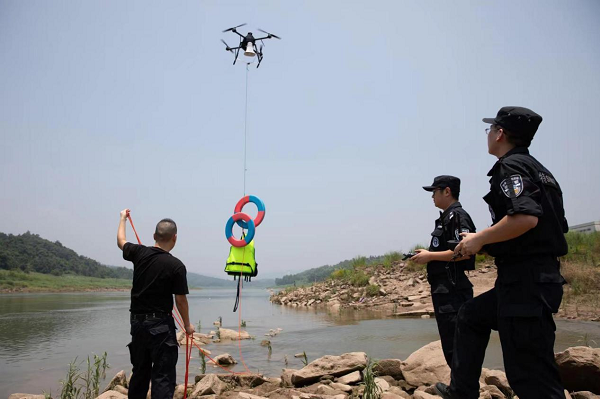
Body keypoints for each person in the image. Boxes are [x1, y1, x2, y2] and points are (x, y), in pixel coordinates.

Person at [435, 107, 568, 399]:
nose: (488, 136)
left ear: (500, 133)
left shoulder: (512, 167)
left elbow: (526, 218)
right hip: (528, 279)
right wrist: (485, 242)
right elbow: (539, 229)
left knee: (531, 377)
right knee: (470, 315)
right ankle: (462, 392)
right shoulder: (540, 170)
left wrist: (481, 238)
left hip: (526, 285)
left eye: (489, 130)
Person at [117, 209, 195, 399]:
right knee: (162, 378)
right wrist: (187, 325)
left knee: (140, 373)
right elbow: (180, 300)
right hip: (160, 327)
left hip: (137, 326)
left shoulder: (139, 253)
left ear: (154, 236)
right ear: (174, 238)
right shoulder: (176, 266)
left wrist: (122, 218)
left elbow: (121, 241)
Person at [411, 175, 476, 367]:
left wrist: (430, 256)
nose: (432, 196)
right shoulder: (446, 217)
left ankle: (462, 389)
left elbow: (465, 252)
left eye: (434, 191)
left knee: (457, 342)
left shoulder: (457, 216)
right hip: (444, 289)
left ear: (447, 191)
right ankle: (458, 386)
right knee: (450, 341)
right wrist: (428, 254)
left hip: (453, 289)